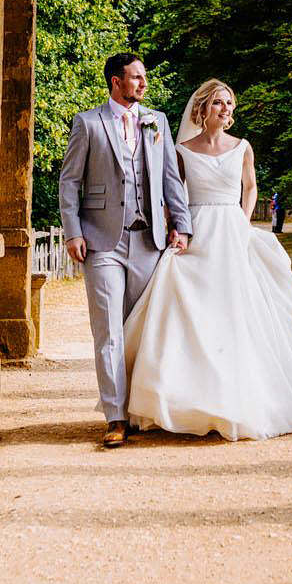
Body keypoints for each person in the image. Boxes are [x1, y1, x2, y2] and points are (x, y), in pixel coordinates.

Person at [121, 78, 292, 441]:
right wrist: (177, 229)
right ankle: (179, 399)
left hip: (231, 229)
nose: (226, 110)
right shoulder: (182, 150)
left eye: (229, 105)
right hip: (196, 229)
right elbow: (173, 194)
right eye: (219, 103)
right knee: (185, 309)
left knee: (237, 311)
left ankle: (239, 400)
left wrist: (242, 218)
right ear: (202, 109)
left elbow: (250, 186)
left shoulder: (243, 147)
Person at [58, 52, 189, 448]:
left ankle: (142, 410)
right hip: (101, 242)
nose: (142, 84)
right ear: (116, 82)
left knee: (143, 330)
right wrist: (72, 232)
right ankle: (115, 417)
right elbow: (69, 182)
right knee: (109, 332)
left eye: (143, 77)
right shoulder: (87, 123)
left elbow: (170, 178)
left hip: (148, 239)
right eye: (135, 78)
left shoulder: (157, 121)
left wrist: (181, 224)